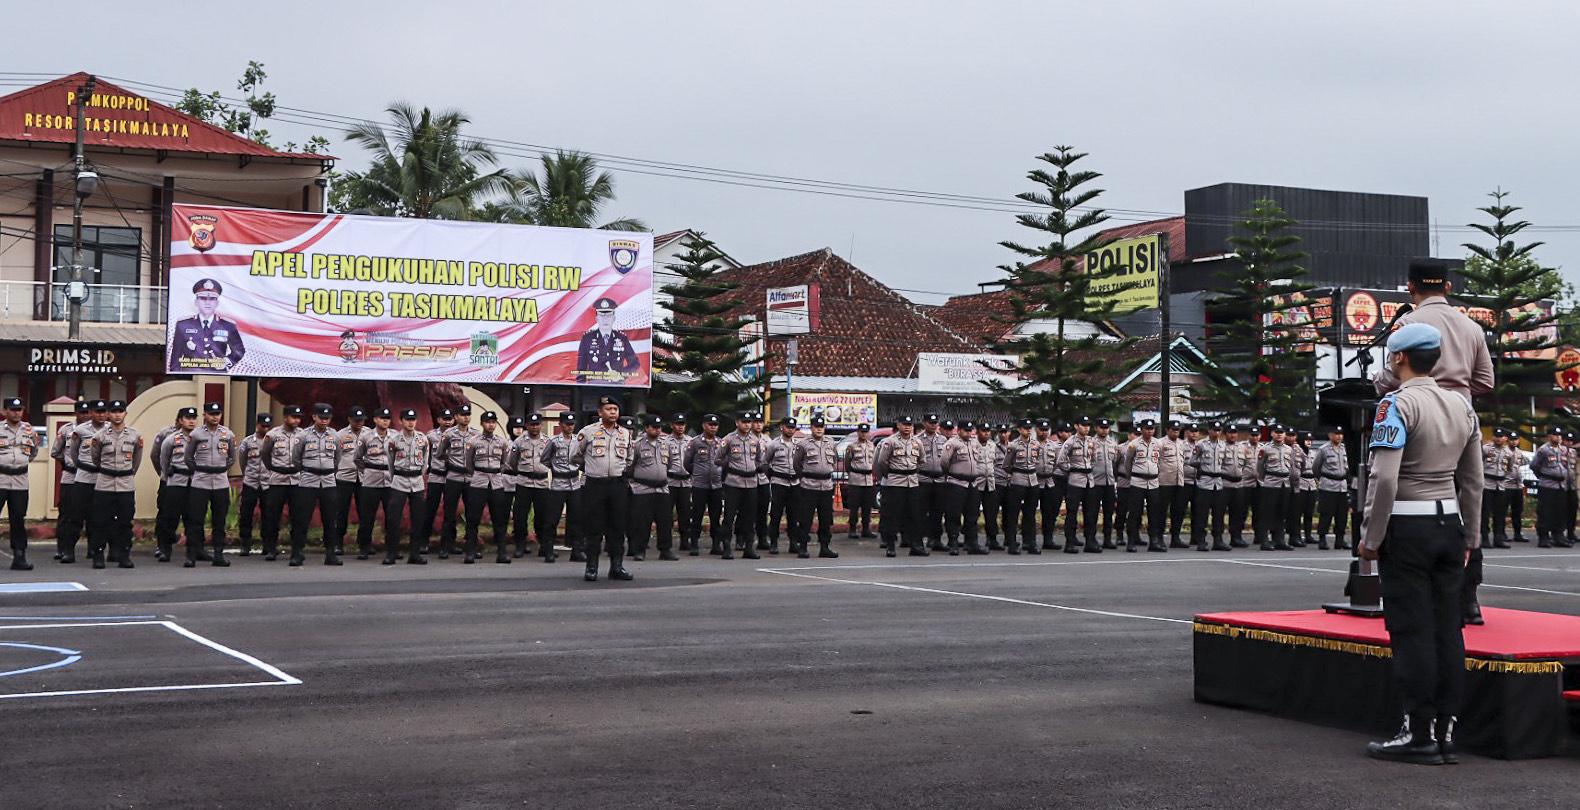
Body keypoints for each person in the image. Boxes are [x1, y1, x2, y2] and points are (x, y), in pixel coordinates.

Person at [1359, 322, 1482, 765]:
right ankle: (1448, 731)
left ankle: (1419, 733)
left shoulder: (1396, 404)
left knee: (1412, 632)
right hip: (1449, 526)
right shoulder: (1461, 406)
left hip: (1407, 529)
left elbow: (1385, 477)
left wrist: (1371, 538)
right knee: (1449, 629)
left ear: (1398, 358)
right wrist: (1472, 533)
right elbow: (1473, 480)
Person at [1373, 260, 1494, 402]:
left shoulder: (1407, 323)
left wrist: (1376, 381)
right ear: (1447, 287)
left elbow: (1392, 376)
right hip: (1461, 413)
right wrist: (1455, 391)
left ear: (1411, 287)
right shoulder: (1473, 327)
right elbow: (1485, 381)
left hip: (1419, 410)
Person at [574, 395, 635, 581]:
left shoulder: (625, 433)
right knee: (594, 527)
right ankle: (591, 566)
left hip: (617, 484)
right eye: (609, 409)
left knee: (617, 527)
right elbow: (575, 456)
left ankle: (617, 566)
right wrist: (592, 468)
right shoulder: (588, 432)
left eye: (615, 409)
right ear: (600, 412)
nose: (613, 413)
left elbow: (630, 458)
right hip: (595, 485)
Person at [183, 402, 237, 567]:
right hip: (200, 481)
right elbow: (188, 457)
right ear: (205, 415)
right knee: (195, 520)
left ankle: (218, 554)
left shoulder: (227, 434)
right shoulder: (196, 434)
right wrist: (200, 470)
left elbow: (232, 458)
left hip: (220, 481)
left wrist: (220, 469)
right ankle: (192, 555)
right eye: (211, 414)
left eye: (217, 414)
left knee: (219, 521)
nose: (215, 417)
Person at [89, 401, 141, 569]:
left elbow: (136, 459)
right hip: (105, 483)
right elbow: (95, 458)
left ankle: (124, 555)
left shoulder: (134, 435)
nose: (117, 415)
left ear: (125, 413)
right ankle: (98, 555)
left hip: (125, 484)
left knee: (125, 522)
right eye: (114, 411)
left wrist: (127, 473)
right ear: (108, 415)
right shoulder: (100, 436)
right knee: (100, 522)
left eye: (121, 411)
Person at [290, 403, 342, 566]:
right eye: (321, 417)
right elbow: (295, 458)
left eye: (327, 418)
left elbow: (337, 458)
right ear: (314, 417)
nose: (324, 421)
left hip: (328, 481)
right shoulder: (304, 435)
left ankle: (330, 553)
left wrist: (329, 469)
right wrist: (307, 469)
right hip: (308, 480)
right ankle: (297, 552)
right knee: (302, 519)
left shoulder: (334, 435)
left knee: (330, 519)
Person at [60, 400, 108, 564]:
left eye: (103, 412)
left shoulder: (111, 430)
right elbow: (73, 453)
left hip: (101, 479)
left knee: (98, 518)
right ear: (91, 413)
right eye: (97, 412)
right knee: (75, 517)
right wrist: (82, 466)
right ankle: (68, 551)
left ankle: (95, 551)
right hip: (83, 478)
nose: (101, 415)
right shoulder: (80, 430)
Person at [626, 414, 680, 561]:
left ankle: (665, 549)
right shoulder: (637, 445)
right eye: (654, 427)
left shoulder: (665, 444)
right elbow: (630, 466)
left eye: (659, 427)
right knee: (642, 522)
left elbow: (669, 465)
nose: (657, 430)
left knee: (665, 520)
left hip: (662, 488)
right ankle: (640, 550)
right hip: (643, 488)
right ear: (646, 428)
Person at [462, 411, 512, 564]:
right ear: (482, 423)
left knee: (499, 518)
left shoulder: (502, 442)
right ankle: (470, 552)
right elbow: (468, 464)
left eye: (493, 422)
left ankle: (502, 553)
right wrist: (479, 473)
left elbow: (505, 462)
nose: (491, 425)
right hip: (478, 481)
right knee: (473, 518)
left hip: (496, 483)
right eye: (488, 422)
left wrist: (495, 473)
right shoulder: (473, 441)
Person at [169, 278, 247, 373]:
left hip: (218, 375)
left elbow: (239, 350)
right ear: (196, 302)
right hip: (191, 374)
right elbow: (176, 356)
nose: (207, 302)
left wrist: (226, 362)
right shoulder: (183, 325)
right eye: (203, 298)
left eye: (212, 299)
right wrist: (177, 376)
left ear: (217, 303)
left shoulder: (227, 325)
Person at [384, 409, 431, 565]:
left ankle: (415, 554)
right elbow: (390, 462)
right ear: (401, 421)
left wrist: (418, 474)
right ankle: (391, 553)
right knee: (393, 519)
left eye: (413, 419)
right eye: (407, 419)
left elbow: (425, 461)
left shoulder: (422, 439)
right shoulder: (393, 439)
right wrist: (396, 476)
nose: (411, 422)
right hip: (399, 480)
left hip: (417, 481)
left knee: (417, 519)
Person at [789, 415, 840, 559]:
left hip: (826, 486)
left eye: (821, 427)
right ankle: (803, 547)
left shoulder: (830, 443)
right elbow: (796, 464)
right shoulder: (804, 444)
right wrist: (806, 475)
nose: (819, 429)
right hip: (809, 485)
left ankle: (825, 547)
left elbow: (834, 460)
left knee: (826, 519)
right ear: (811, 427)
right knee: (805, 518)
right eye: (816, 427)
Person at [259, 406, 304, 561]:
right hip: (277, 479)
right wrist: (272, 468)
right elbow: (265, 455)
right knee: (272, 516)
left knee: (298, 517)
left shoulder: (303, 435)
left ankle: (297, 550)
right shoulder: (272, 435)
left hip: (297, 480)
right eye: (293, 417)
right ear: (285, 417)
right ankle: (271, 548)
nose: (296, 420)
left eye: (298, 417)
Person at [718, 412, 765, 561]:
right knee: (729, 516)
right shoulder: (729, 439)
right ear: (737, 423)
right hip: (734, 482)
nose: (747, 425)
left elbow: (759, 460)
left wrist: (754, 468)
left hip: (751, 482)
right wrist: (731, 467)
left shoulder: (755, 440)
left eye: (749, 422)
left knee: (750, 517)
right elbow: (718, 459)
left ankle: (749, 547)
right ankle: (726, 547)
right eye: (744, 422)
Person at [875, 416, 924, 557]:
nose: (907, 427)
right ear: (898, 425)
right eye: (904, 424)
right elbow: (882, 462)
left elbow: (921, 461)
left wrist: (911, 473)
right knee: (892, 515)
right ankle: (890, 546)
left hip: (912, 482)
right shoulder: (889, 442)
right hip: (895, 482)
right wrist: (891, 475)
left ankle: (915, 545)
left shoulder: (917, 442)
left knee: (914, 515)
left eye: (910, 424)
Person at [49, 400, 89, 562]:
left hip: (88, 476)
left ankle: (93, 549)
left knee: (91, 514)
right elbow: (56, 452)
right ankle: (62, 548)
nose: (85, 416)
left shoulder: (97, 430)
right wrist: (68, 463)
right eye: (81, 413)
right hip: (70, 477)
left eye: (87, 413)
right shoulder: (66, 430)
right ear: (76, 413)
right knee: (66, 514)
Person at [0, 398, 37, 570]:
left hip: (20, 481)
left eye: (19, 409)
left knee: (18, 520)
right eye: (12, 409)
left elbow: (33, 452)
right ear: (5, 411)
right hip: (0, 478)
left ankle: (19, 556)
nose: (16, 413)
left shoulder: (29, 430)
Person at [541, 412, 583, 564]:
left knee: (576, 519)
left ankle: (576, 550)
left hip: (574, 482)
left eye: (572, 424)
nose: (569, 427)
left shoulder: (579, 440)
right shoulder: (554, 442)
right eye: (566, 424)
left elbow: (583, 457)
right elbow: (544, 459)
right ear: (561, 425)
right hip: (558, 483)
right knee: (552, 519)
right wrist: (556, 469)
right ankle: (549, 550)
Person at [353, 408, 395, 560]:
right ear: (375, 419)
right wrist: (367, 471)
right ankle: (364, 547)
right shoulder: (366, 437)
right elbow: (357, 458)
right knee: (367, 517)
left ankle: (392, 548)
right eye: (382, 418)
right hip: (371, 480)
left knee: (392, 517)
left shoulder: (396, 436)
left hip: (390, 481)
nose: (385, 421)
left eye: (388, 418)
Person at [509, 414, 553, 560]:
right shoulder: (519, 441)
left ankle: (544, 546)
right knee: (520, 516)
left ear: (541, 425)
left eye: (537, 424)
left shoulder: (548, 441)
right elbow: (513, 462)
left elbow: (552, 460)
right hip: (524, 482)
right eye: (532, 424)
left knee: (543, 516)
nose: (535, 427)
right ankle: (520, 545)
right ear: (527, 426)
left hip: (541, 483)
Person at [158, 407, 199, 563]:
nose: (191, 421)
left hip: (195, 482)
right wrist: (168, 473)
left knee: (193, 519)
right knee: (170, 518)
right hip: (176, 481)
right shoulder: (171, 439)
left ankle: (193, 553)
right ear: (181, 420)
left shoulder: (201, 438)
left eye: (193, 418)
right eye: (187, 418)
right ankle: (165, 550)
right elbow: (163, 459)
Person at [438, 404, 479, 558]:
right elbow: (440, 453)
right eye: (462, 415)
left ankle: (472, 547)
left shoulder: (476, 434)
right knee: (449, 513)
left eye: (468, 414)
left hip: (470, 477)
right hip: (453, 476)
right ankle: (446, 546)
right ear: (456, 417)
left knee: (472, 513)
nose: (466, 417)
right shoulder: (448, 434)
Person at [1119, 419, 1166, 553]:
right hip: (1137, 481)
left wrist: (1156, 473)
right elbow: (1128, 463)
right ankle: (1131, 541)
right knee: (1135, 513)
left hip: (1153, 482)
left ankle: (1154, 541)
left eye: (1151, 429)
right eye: (1147, 428)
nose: (1149, 431)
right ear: (1141, 429)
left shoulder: (1158, 443)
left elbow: (1160, 461)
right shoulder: (1134, 444)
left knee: (1154, 513)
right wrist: (1131, 476)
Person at [1057, 417, 1101, 554]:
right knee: (1072, 513)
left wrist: (1088, 468)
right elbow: (1061, 461)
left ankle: (1090, 541)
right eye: (1083, 425)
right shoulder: (1070, 442)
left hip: (1089, 480)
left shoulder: (1091, 441)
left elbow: (1094, 459)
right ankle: (1070, 542)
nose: (1086, 428)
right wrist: (1072, 469)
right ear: (1076, 426)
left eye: (1088, 425)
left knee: (1091, 513)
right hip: (1075, 480)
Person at [939, 419, 980, 556]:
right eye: (966, 430)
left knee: (972, 515)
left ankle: (972, 543)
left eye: (970, 430)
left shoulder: (974, 443)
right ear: (959, 430)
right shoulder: (952, 444)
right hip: (957, 482)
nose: (968, 433)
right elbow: (944, 462)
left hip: (972, 483)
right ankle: (953, 543)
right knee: (954, 514)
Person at [685, 414, 725, 557]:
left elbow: (724, 462)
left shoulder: (721, 443)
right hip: (699, 485)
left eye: (715, 425)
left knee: (715, 516)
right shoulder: (695, 442)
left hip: (716, 485)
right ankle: (694, 544)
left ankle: (716, 544)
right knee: (697, 515)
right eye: (710, 424)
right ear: (703, 425)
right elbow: (687, 463)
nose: (713, 427)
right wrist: (697, 473)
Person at [574, 297, 639, 383]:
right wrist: (580, 388)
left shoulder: (622, 338)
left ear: (614, 318)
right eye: (602, 316)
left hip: (617, 385)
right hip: (594, 385)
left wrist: (620, 375)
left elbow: (635, 363)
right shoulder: (587, 338)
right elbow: (581, 368)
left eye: (609, 316)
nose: (605, 319)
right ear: (597, 319)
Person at [333, 406, 369, 558]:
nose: (359, 423)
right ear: (349, 420)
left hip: (364, 477)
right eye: (356, 420)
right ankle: (338, 543)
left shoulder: (369, 433)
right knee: (341, 512)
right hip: (344, 477)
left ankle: (364, 544)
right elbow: (335, 456)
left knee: (365, 512)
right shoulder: (340, 435)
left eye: (361, 420)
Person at [763, 417, 802, 554]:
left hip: (795, 482)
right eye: (788, 427)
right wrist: (772, 476)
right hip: (779, 482)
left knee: (794, 514)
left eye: (793, 428)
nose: (790, 430)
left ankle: (793, 542)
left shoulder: (798, 445)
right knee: (776, 514)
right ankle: (773, 542)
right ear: (782, 428)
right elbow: (765, 463)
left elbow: (802, 462)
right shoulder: (773, 444)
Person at [419, 408, 455, 556]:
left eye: (450, 419)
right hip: (436, 475)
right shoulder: (430, 436)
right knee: (430, 510)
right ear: (438, 420)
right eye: (444, 418)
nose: (447, 421)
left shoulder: (457, 435)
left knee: (450, 512)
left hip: (452, 476)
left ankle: (448, 544)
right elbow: (424, 454)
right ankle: (423, 542)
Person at [236, 414, 272, 556]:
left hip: (267, 482)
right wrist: (247, 474)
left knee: (268, 515)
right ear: (257, 425)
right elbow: (242, 460)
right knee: (246, 514)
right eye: (263, 426)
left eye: (268, 426)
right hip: (251, 481)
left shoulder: (273, 440)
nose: (266, 428)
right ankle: (245, 544)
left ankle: (267, 544)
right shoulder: (247, 442)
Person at [1191, 422, 1230, 552]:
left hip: (1218, 483)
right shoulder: (1201, 444)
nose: (1217, 432)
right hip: (1204, 482)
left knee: (1218, 514)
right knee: (1202, 514)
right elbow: (1192, 461)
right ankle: (1201, 541)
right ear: (1209, 430)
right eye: (1214, 430)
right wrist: (1203, 466)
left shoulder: (1224, 445)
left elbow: (1225, 463)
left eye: (1219, 430)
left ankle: (1218, 540)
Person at [1312, 427, 1353, 551]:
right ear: (1330, 435)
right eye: (1336, 434)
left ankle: (1340, 540)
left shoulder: (1345, 448)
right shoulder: (1323, 449)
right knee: (1326, 514)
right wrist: (1322, 480)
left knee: (1342, 515)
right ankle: (1322, 539)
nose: (1339, 436)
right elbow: (1316, 467)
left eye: (1341, 434)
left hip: (1342, 485)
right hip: (1328, 485)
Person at [1002, 419, 1039, 555]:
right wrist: (1016, 473)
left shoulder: (1036, 444)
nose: (1028, 430)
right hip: (1018, 480)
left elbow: (1037, 462)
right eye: (1025, 428)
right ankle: (1012, 543)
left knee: (1030, 514)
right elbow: (1006, 465)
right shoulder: (1013, 445)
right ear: (1019, 429)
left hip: (1033, 481)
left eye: (1030, 428)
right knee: (1013, 514)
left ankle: (1030, 542)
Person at [1254, 425, 1294, 551]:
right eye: (1276, 432)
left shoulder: (1289, 449)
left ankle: (1279, 540)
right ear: (1272, 434)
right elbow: (1260, 468)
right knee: (1267, 513)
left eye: (1281, 432)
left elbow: (1291, 467)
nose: (1279, 435)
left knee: (1281, 513)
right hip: (1271, 483)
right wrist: (1265, 479)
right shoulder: (1265, 449)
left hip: (1285, 483)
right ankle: (1264, 540)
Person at [1531, 427, 1570, 548]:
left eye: (1559, 435)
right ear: (1549, 436)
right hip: (1547, 485)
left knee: (1560, 512)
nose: (1558, 437)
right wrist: (1543, 476)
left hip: (1560, 486)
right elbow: (1534, 465)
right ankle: (1543, 537)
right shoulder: (1543, 450)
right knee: (1545, 512)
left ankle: (1558, 536)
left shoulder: (1563, 450)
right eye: (1555, 435)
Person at [917, 413, 950, 552]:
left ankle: (935, 539)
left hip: (940, 480)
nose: (933, 425)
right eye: (930, 422)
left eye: (935, 422)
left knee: (937, 512)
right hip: (923, 479)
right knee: (921, 512)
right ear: (924, 423)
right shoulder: (917, 440)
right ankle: (919, 540)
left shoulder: (943, 439)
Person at [1479, 428, 1516, 552]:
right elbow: (1478, 462)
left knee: (1500, 513)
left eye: (1501, 436)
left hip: (1500, 484)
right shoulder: (1486, 449)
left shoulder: (1509, 453)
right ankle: (1484, 537)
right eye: (1496, 436)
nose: (1498, 438)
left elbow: (1510, 468)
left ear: (1506, 438)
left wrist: (1503, 477)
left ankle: (1498, 538)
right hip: (1487, 483)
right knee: (1485, 513)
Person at [842, 423, 878, 540]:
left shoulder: (872, 446)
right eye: (861, 432)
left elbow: (874, 462)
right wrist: (852, 474)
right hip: (856, 479)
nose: (864, 434)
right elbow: (847, 464)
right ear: (858, 432)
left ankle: (866, 529)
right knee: (854, 506)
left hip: (868, 480)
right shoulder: (852, 446)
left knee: (867, 507)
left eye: (866, 432)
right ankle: (852, 529)